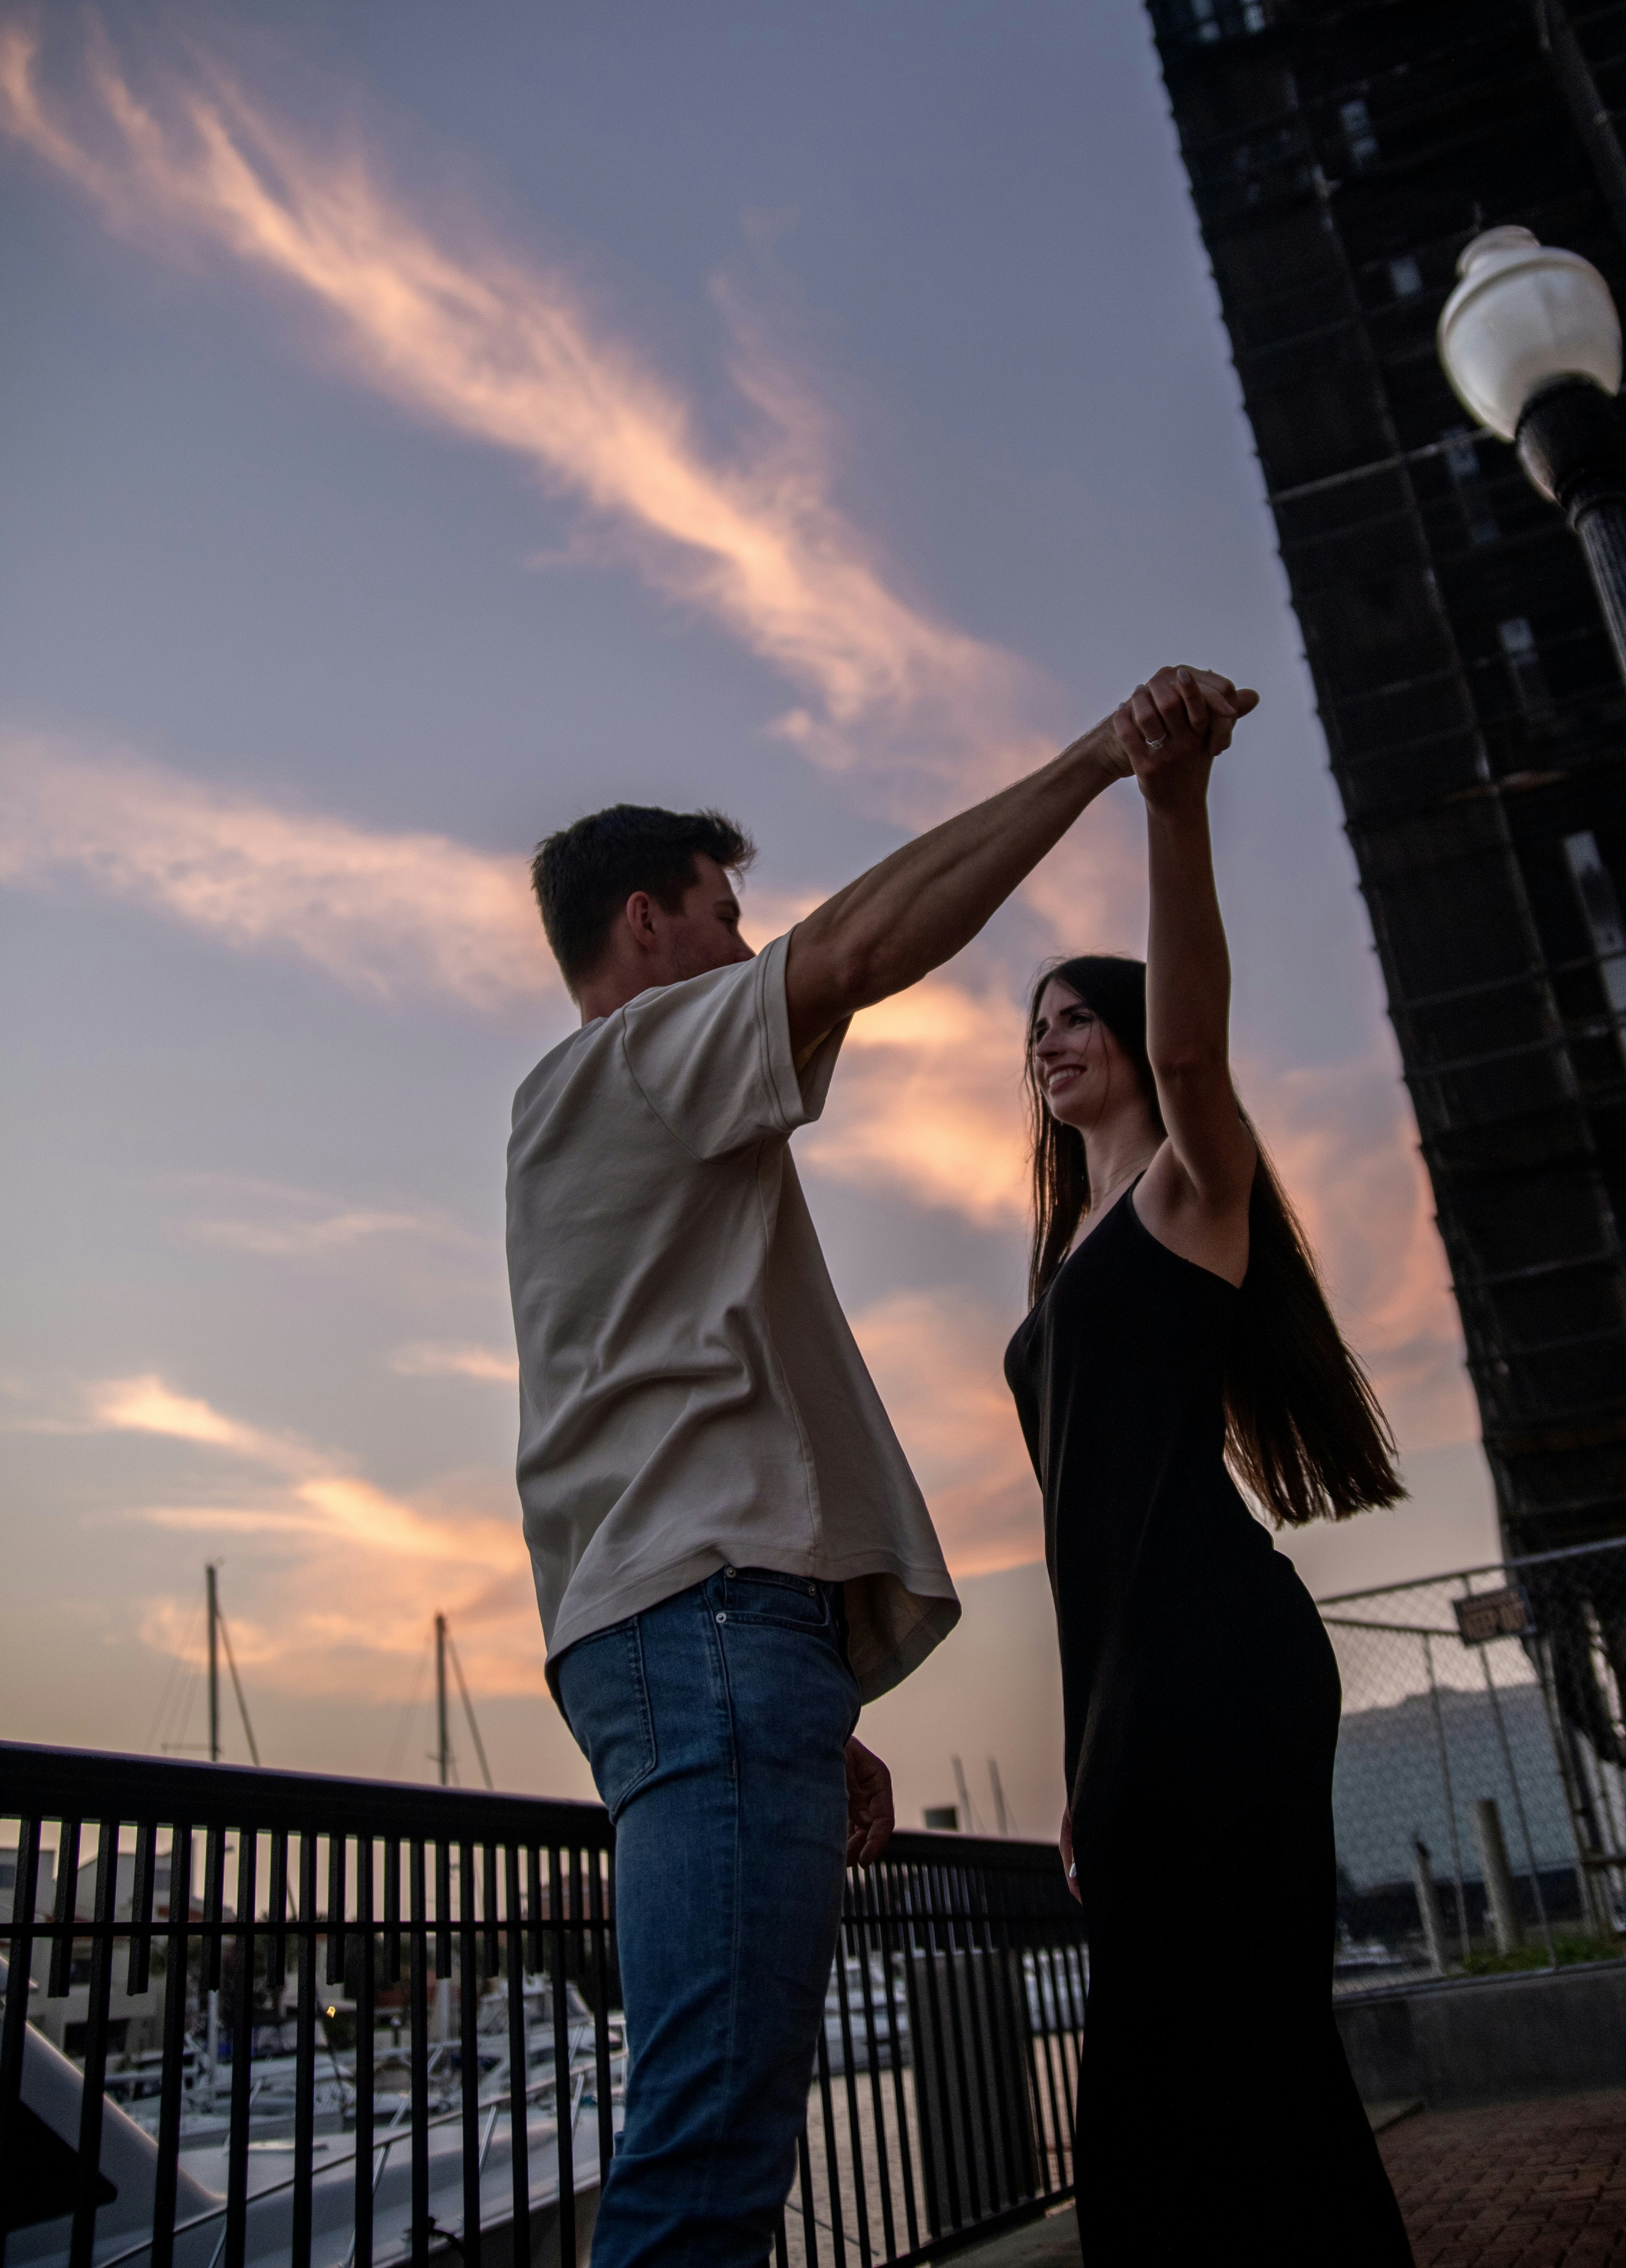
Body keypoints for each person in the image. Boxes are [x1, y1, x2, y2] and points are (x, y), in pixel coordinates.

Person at [506, 673, 1248, 2268]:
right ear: (645, 928)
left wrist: (808, 1680)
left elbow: (683, 1412)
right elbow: (854, 950)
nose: (745, 947)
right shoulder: (639, 1059)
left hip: (694, 1647)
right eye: (723, 915)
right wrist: (1088, 765)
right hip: (703, 1643)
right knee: (709, 2150)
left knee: (716, 2129)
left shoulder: (593, 1121)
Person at [1004, 663, 1414, 2265]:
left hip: (1227, 1664)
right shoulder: (1059, 1274)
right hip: (1136, 1700)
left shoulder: (1191, 1193)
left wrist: (1168, 803)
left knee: (1243, 2050)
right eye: (1033, 1030)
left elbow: (1192, 1051)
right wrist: (1079, 1750)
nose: (1050, 1041)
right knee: (1155, 2085)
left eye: (1074, 1016)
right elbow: (1072, 1542)